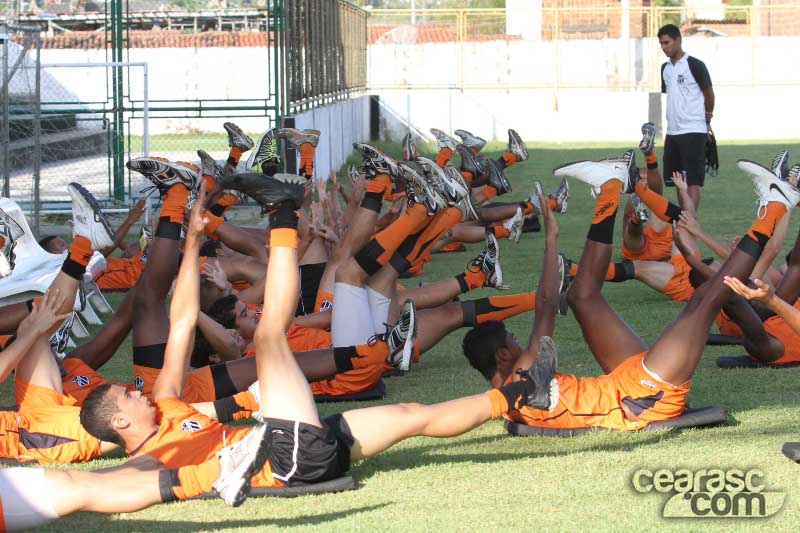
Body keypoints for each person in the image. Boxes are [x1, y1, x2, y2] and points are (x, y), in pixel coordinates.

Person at [78, 173, 556, 495]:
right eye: (127, 397)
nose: (136, 392)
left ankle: (522, 393)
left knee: (414, 413)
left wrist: (196, 241)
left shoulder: (167, 402)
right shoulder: (147, 461)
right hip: (286, 460)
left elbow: (181, 319)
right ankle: (284, 215)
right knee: (270, 338)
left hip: (293, 437)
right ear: (120, 424)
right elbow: (122, 491)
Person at [463, 149, 796, 431]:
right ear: (503, 356)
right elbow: (547, 305)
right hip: (643, 399)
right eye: (513, 342)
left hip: (621, 384)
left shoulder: (512, 398)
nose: (520, 344)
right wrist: (551, 239)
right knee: (705, 299)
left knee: (582, 296)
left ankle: (611, 184)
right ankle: (775, 206)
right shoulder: (521, 376)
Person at [658, 23, 715, 208]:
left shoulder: (695, 65)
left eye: (667, 42)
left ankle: (690, 223)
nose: (664, 47)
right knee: (678, 179)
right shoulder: (665, 69)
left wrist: (706, 121)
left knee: (692, 181)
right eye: (661, 44)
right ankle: (684, 219)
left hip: (693, 130)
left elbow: (709, 95)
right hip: (673, 132)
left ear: (678, 40)